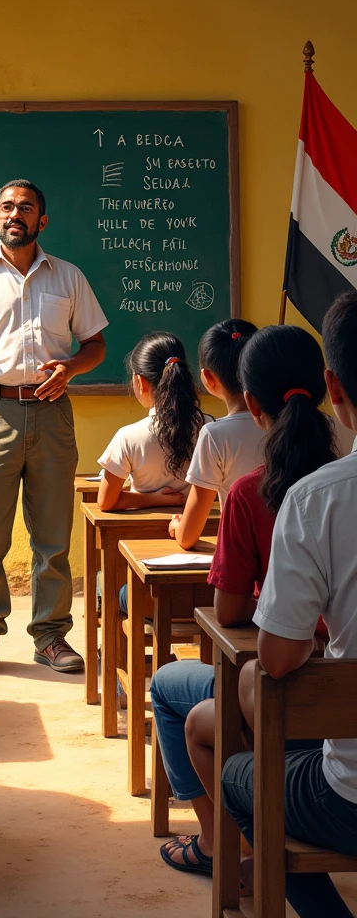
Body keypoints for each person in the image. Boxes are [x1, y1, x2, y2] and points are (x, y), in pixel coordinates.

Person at [150, 324, 336, 876]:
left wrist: (274, 602)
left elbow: (228, 613)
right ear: (329, 391)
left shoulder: (256, 490)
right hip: (335, 671)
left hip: (292, 680)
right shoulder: (340, 474)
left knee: (167, 686)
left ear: (252, 404)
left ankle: (217, 843)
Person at [219, 292, 357, 918]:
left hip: (349, 797)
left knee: (238, 778)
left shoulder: (318, 499)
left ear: (335, 387)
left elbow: (277, 660)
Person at [0, 179, 108, 676]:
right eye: (7, 206)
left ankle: (52, 637)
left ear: (41, 221)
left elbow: (95, 345)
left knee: (52, 535)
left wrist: (71, 368)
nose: (16, 214)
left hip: (52, 413)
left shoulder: (68, 277)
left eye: (26, 207)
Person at [97, 331, 209, 617]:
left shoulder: (129, 437)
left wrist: (152, 499)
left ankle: (109, 655)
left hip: (150, 581)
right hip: (206, 579)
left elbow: (106, 503)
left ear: (139, 381)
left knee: (101, 583)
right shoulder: (210, 429)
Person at [169, 318, 261, 549]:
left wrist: (177, 526)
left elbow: (188, 536)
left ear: (208, 378)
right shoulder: (312, 422)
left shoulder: (214, 435)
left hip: (245, 561)